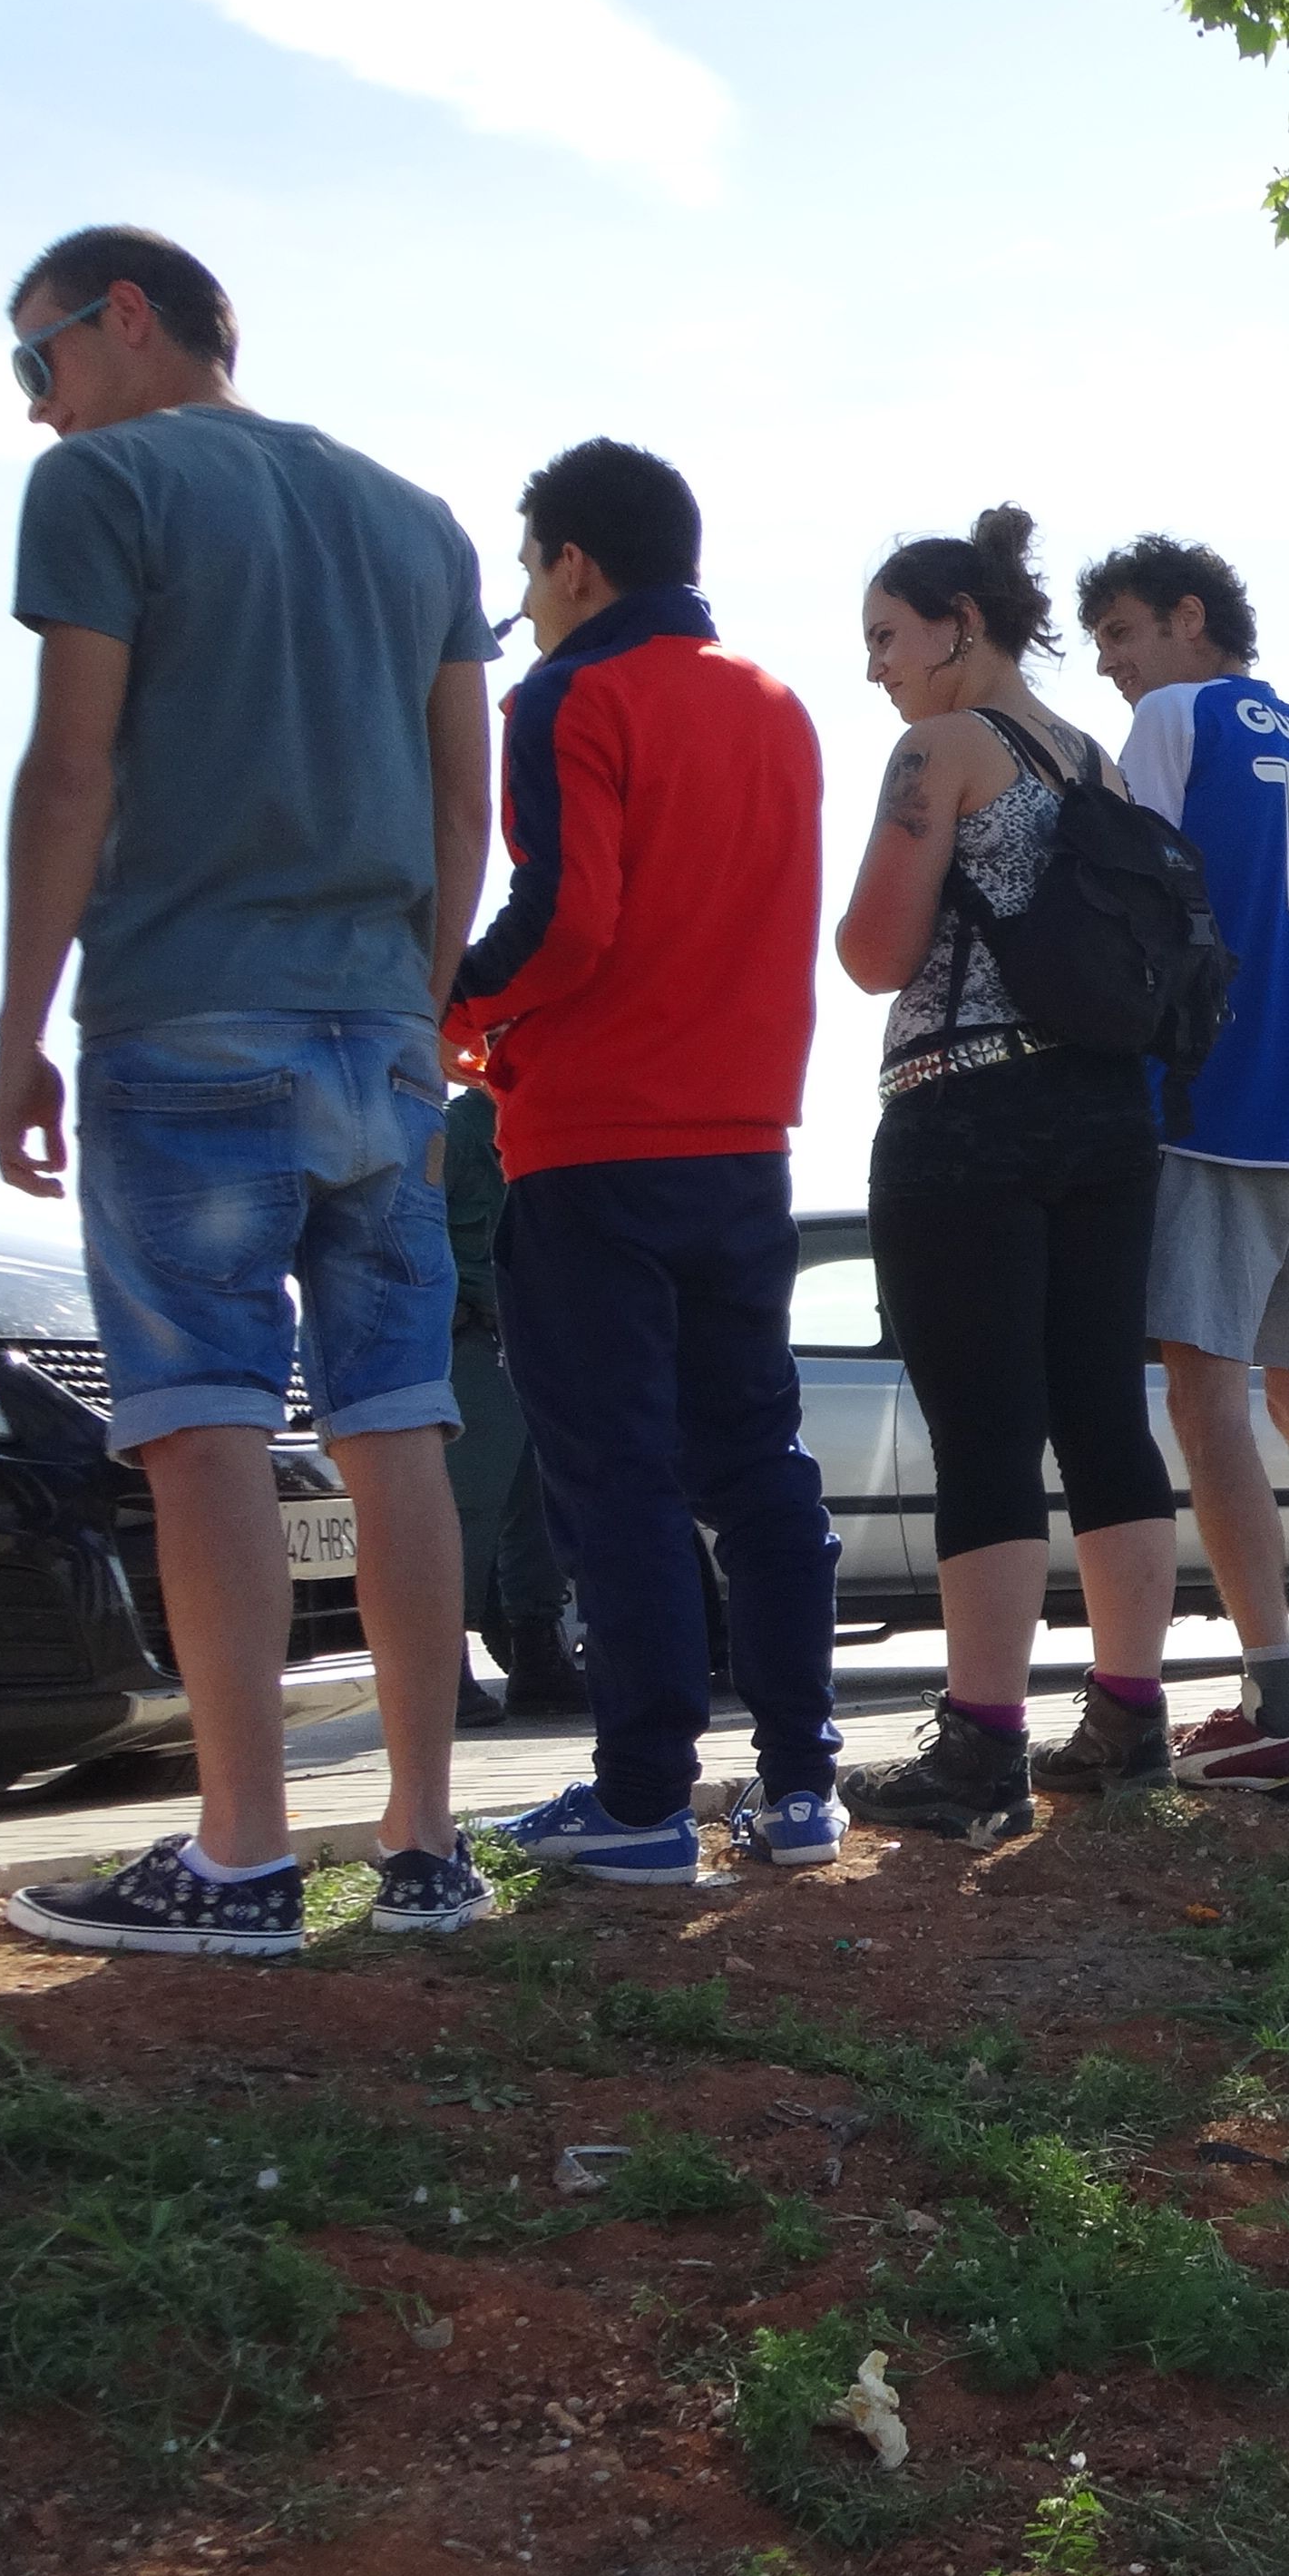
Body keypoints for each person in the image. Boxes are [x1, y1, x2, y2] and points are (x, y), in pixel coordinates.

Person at [0, 224, 492, 1953]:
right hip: (378, 1029)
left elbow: (68, 767)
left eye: (38, 359)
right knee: (395, 1418)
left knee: (202, 1421)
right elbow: (462, 813)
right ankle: (426, 1844)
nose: (39, 408)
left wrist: (14, 1026)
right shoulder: (415, 517)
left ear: (128, 319)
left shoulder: (110, 487)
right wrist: (410, 1014)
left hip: (188, 1013)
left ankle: (242, 1851)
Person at [445, 440, 844, 1879]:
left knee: (610, 1476)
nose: (528, 605)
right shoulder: (780, 705)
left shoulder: (570, 695)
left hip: (594, 1142)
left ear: (573, 564)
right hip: (745, 1141)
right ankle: (801, 1783)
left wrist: (452, 1007)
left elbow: (566, 922)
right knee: (758, 1465)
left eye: (529, 570)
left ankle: (643, 1799)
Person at [832, 509, 1181, 1840]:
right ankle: (1128, 1713)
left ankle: (981, 1746)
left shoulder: (942, 749)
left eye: (886, 635)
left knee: (983, 1423)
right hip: (1105, 1116)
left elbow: (875, 952)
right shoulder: (1102, 765)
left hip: (963, 1103)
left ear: (959, 625)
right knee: (1100, 1409)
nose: (875, 667)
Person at [1089, 537, 1289, 1793]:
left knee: (1206, 1397)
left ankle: (1273, 1696)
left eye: (1120, 632)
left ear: (1189, 617)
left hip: (1222, 1095)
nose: (1109, 664)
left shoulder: (1176, 717)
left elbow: (1133, 897)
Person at [437, 1081, 574, 1729]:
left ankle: (536, 1652)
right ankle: (447, 1664)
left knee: (541, 1503)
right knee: (467, 1508)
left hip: (536, 1334)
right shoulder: (458, 1133)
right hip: (472, 1339)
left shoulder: (551, 1122)